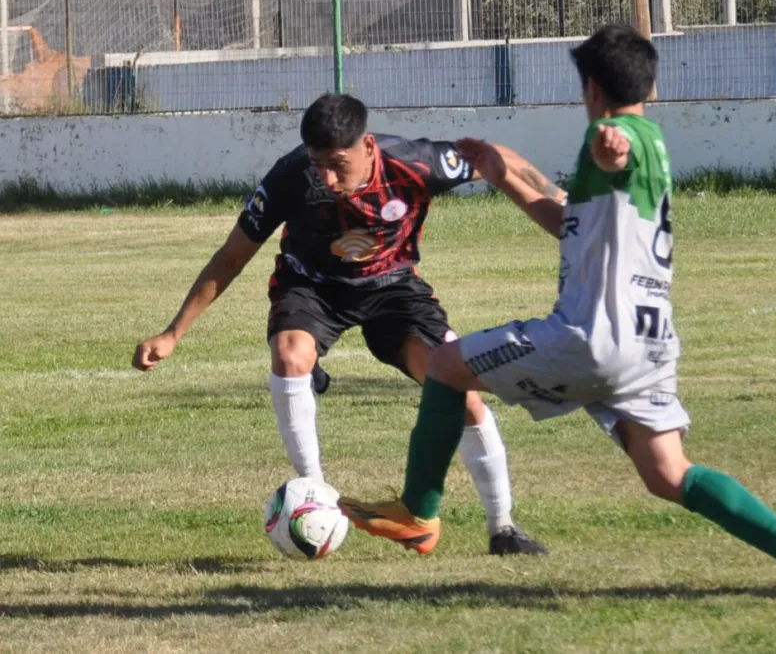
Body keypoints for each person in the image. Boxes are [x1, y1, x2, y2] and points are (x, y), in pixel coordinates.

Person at [339, 24, 776, 611]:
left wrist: (612, 147)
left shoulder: (622, 137)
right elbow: (568, 225)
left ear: (590, 87)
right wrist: (501, 174)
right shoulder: (646, 146)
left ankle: (418, 512)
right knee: (668, 473)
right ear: (652, 84)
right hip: (649, 346)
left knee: (444, 363)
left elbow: (620, 149)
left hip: (591, 339)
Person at [131, 93, 552, 556]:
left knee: (460, 393)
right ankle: (315, 495)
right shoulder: (291, 176)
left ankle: (503, 529)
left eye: (337, 164)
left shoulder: (414, 163)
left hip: (395, 290)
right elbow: (233, 255)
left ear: (367, 145)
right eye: (318, 164)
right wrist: (173, 333)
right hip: (312, 288)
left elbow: (495, 158)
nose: (327, 179)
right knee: (291, 356)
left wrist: (559, 201)